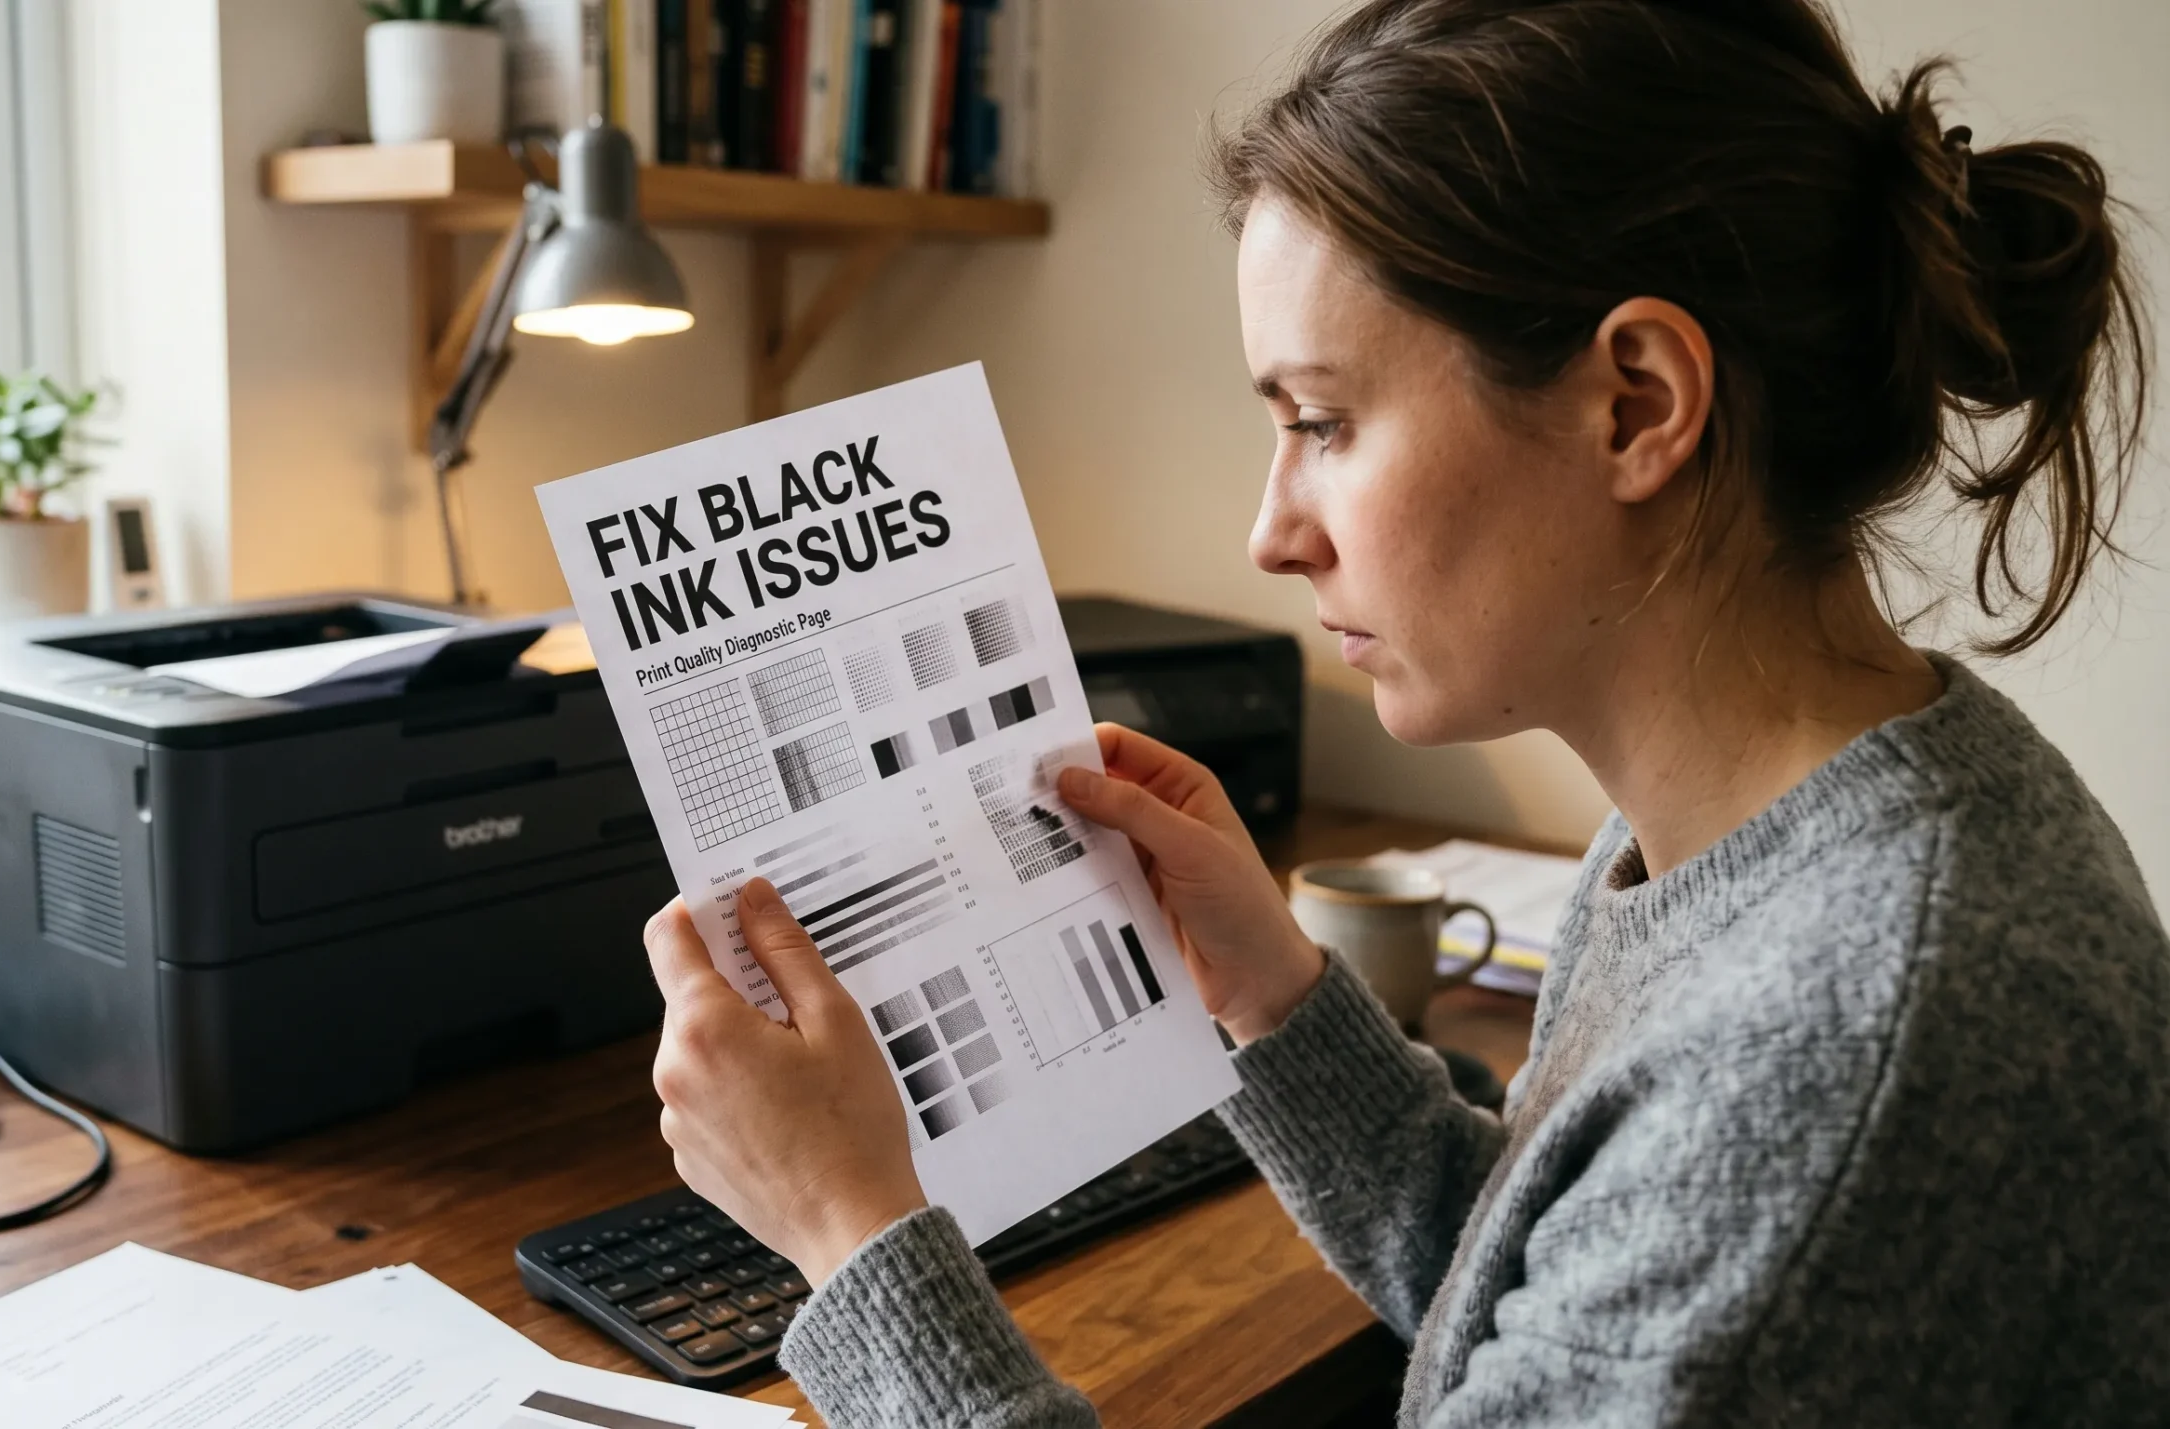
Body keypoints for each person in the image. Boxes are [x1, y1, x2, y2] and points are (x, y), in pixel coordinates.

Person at [639, 0, 2170, 1422]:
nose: (1271, 534)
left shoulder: (1840, 1054)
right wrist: (1273, 1002)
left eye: (1322, 420)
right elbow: (1563, 1305)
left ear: (1636, 403)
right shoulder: (1775, 830)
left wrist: (855, 1237)